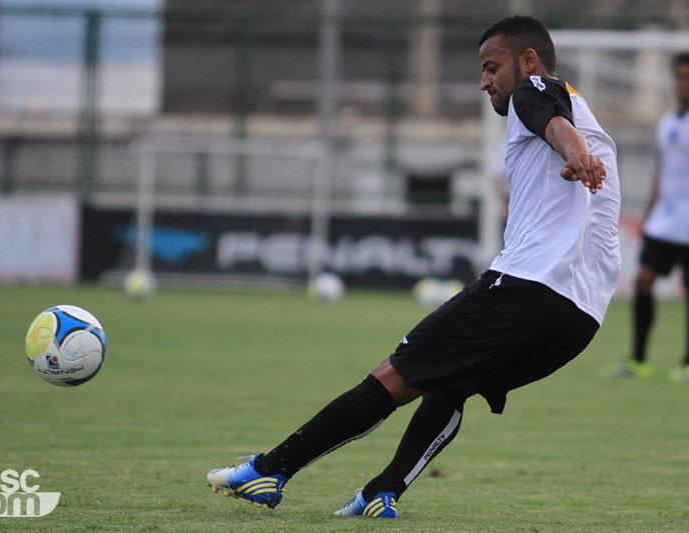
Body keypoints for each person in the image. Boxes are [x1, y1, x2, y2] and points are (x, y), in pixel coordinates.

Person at [206, 15, 621, 519]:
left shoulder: (534, 91)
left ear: (528, 60)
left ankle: (269, 470)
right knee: (453, 383)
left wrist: (575, 151)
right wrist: (579, 148)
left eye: (492, 67)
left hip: (527, 287)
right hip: (581, 318)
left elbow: (549, 117)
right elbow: (558, 125)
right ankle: (380, 493)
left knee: (393, 376)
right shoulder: (584, 111)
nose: (484, 81)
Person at [608, 53, 689, 382]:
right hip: (664, 221)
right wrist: (649, 213)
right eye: (679, 77)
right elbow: (662, 171)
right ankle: (638, 359)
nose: (682, 84)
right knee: (643, 279)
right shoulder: (666, 122)